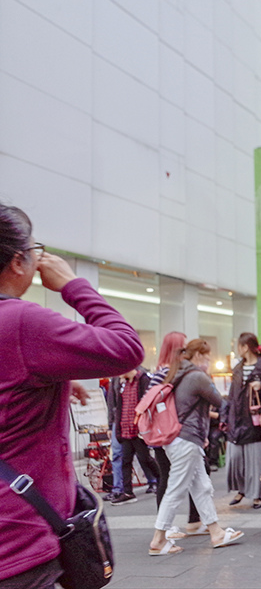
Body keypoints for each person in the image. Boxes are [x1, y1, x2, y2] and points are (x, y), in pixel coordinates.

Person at [0, 203, 145, 587]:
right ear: (19, 261)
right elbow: (127, 348)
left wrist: (54, 378)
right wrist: (73, 285)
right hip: (17, 541)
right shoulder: (21, 322)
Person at [149, 339, 243, 555]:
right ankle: (158, 539)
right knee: (175, 489)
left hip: (178, 439)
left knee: (202, 487)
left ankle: (216, 532)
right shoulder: (196, 376)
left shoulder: (176, 373)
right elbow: (220, 401)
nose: (209, 361)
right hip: (187, 440)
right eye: (208, 356)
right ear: (199, 355)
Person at [226, 333, 261, 509]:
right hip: (236, 418)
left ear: (245, 347)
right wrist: (226, 416)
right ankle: (241, 489)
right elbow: (231, 394)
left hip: (254, 419)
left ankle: (257, 494)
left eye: (239, 345)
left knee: (255, 459)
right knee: (236, 458)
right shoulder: (238, 367)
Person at [111, 366, 161, 505]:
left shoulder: (143, 380)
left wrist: (147, 426)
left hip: (138, 429)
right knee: (125, 461)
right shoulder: (124, 384)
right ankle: (128, 492)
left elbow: (148, 403)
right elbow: (119, 406)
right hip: (126, 428)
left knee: (145, 458)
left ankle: (161, 479)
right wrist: (118, 429)